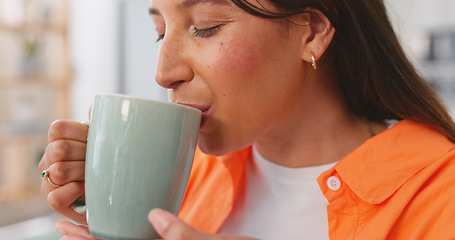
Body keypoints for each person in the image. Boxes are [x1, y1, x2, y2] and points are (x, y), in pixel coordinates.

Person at [38, 0, 455, 239]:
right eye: (160, 32)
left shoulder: (441, 192)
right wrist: (111, 197)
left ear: (311, 31)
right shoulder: (184, 177)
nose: (163, 72)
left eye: (205, 27)